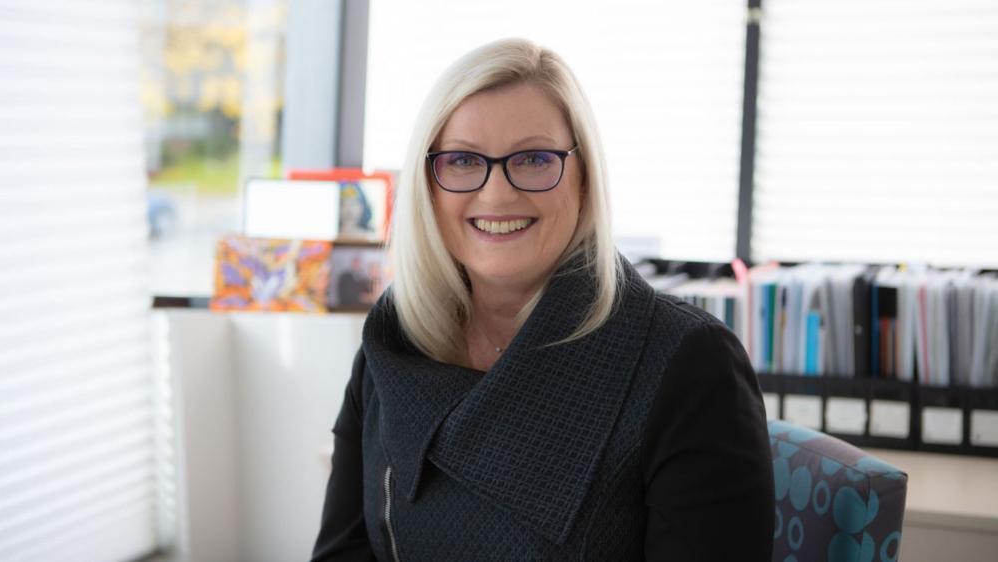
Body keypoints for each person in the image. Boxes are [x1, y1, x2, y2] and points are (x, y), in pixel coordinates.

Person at [310, 38, 774, 561]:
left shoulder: (689, 361)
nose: (497, 194)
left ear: (583, 176)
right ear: (428, 185)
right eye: (463, 160)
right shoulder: (396, 339)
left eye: (533, 158)